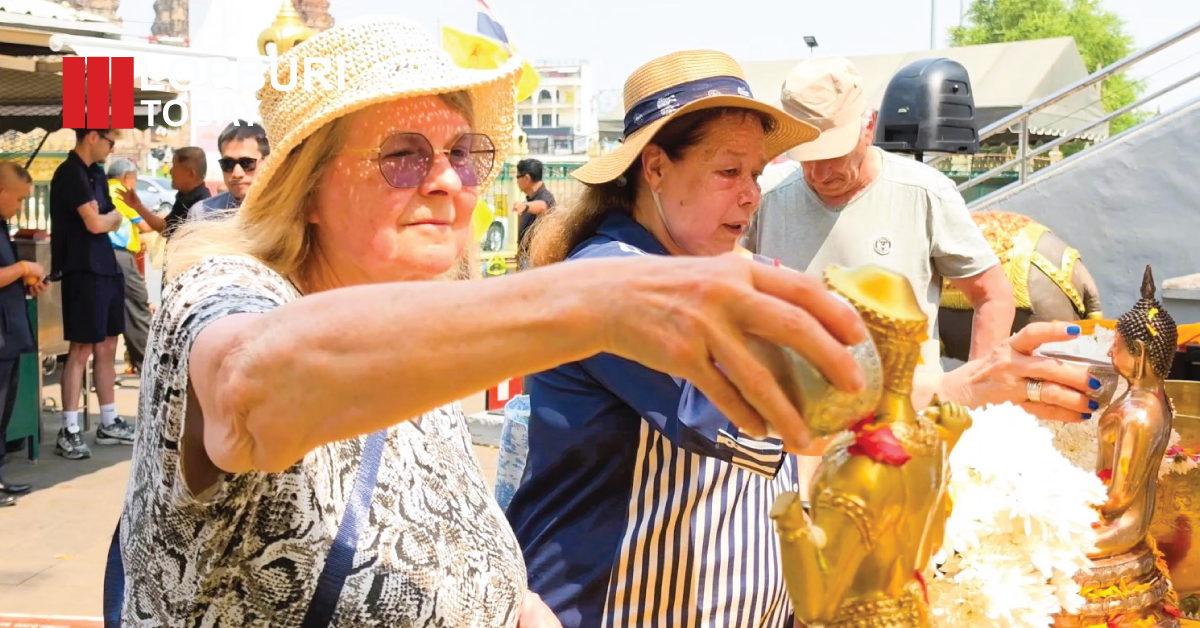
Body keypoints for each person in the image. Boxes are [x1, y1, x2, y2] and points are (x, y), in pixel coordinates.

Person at [113, 20, 870, 628]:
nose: (447, 180)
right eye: (404, 156)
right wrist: (600, 302)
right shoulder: (225, 286)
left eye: (464, 154)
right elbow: (248, 390)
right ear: (309, 187)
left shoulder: (424, 338)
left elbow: (483, 573)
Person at [508, 50, 1102, 628]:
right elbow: (770, 412)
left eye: (756, 174)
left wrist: (973, 380)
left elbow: (836, 384)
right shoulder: (614, 279)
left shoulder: (733, 269)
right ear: (656, 167)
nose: (750, 195)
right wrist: (958, 389)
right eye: (727, 171)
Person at [743, 56, 1016, 368]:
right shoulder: (762, 196)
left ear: (868, 128)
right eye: (805, 157)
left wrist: (976, 393)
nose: (818, 174)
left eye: (832, 155)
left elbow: (993, 296)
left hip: (903, 410)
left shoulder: (925, 193)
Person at [48, 129, 136, 461]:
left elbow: (108, 216)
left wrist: (107, 218)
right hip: (82, 270)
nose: (113, 147)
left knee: (108, 344)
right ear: (93, 137)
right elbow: (98, 224)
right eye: (110, 141)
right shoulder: (70, 173)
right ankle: (69, 427)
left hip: (106, 267)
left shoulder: (96, 173)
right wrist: (108, 218)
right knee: (81, 348)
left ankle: (109, 420)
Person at [0, 162, 45, 507]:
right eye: (18, 201)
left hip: (10, 333)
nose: (19, 209)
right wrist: (25, 268)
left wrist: (26, 280)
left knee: (5, 410)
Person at [106, 159, 154, 375]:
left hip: (104, 256)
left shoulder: (102, 189)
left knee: (114, 311)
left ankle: (111, 367)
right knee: (137, 305)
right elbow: (145, 224)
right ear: (127, 178)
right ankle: (146, 364)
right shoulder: (121, 192)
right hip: (120, 256)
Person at [190, 121, 269, 221]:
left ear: (267, 161)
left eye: (247, 163)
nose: (236, 174)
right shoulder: (202, 214)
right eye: (228, 163)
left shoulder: (287, 211)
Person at [514, 158, 555, 266]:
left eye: (518, 177)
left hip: (536, 260)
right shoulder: (530, 199)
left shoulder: (545, 196)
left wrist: (525, 206)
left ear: (526, 178)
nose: (517, 181)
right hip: (526, 257)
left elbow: (543, 206)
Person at [162, 146, 211, 236]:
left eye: (175, 167)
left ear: (191, 174)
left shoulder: (203, 208)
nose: (171, 171)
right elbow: (167, 228)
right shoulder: (184, 196)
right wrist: (137, 206)